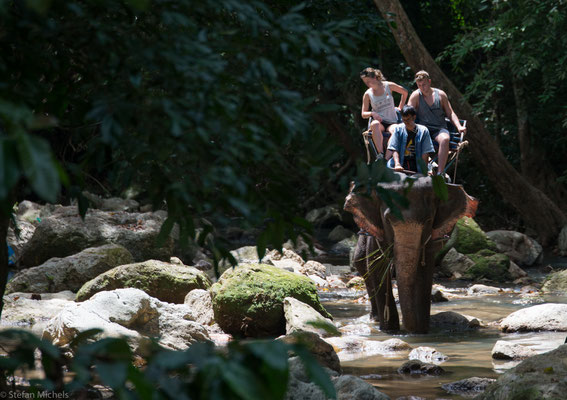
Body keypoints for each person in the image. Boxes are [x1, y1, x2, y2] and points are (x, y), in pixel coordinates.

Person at [408, 70, 466, 175]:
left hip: (439, 128)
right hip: (423, 128)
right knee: (421, 137)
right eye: (419, 85)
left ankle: (440, 172)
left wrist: (459, 126)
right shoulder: (416, 95)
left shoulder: (440, 95)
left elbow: (450, 113)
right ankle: (424, 171)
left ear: (429, 82)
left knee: (445, 139)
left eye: (424, 84)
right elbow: (408, 113)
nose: (422, 87)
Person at [360, 67, 408, 160]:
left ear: (374, 77)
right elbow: (363, 113)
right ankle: (380, 154)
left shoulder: (388, 86)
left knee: (396, 130)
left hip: (392, 122)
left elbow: (405, 92)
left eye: (368, 81)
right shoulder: (367, 94)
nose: (367, 84)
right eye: (365, 82)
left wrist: (400, 107)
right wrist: (372, 113)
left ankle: (387, 158)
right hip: (380, 122)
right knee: (375, 124)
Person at [387, 105, 434, 174]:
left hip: (416, 164)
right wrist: (397, 164)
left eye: (408, 119)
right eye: (404, 120)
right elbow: (394, 148)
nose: (406, 122)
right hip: (401, 162)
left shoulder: (423, 131)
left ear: (414, 117)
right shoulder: (398, 129)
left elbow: (425, 152)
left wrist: (424, 170)